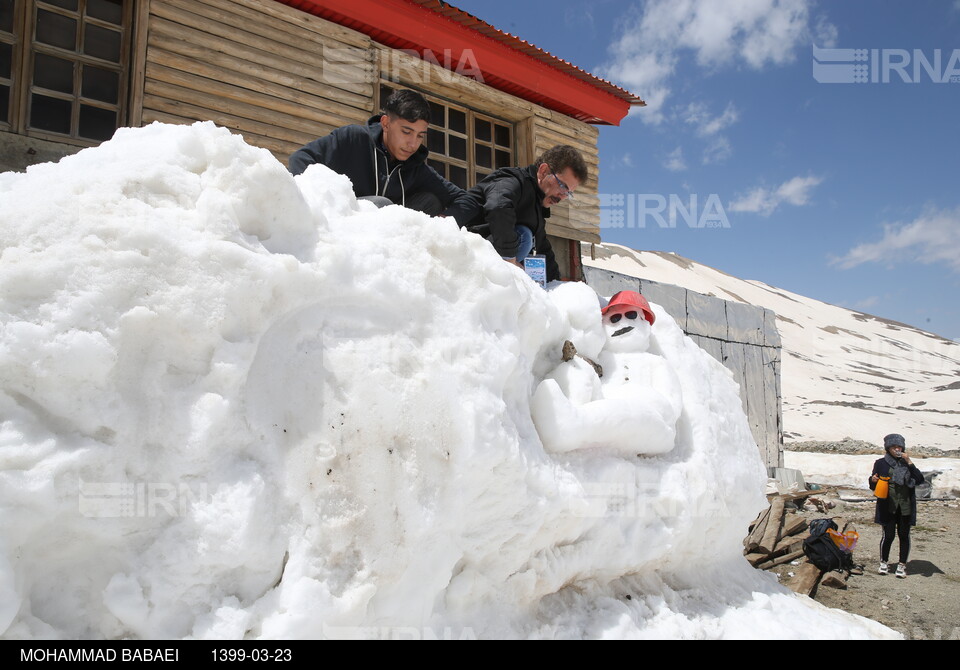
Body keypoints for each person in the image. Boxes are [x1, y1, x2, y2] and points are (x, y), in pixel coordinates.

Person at [288, 89, 473, 221]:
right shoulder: (353, 138)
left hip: (387, 237)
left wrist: (443, 222)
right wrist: (329, 203)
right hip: (344, 223)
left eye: (420, 136)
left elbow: (465, 200)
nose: (413, 143)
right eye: (406, 132)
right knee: (382, 204)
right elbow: (300, 159)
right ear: (385, 123)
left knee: (429, 202)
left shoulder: (417, 167)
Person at [445, 145, 588, 283]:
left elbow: (544, 250)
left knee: (534, 248)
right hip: (465, 251)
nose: (562, 196)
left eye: (568, 193)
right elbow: (498, 206)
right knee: (523, 235)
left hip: (489, 256)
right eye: (562, 186)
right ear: (544, 171)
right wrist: (509, 258)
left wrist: (558, 285)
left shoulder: (536, 209)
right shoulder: (513, 180)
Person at [869, 433, 924, 578]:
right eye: (894, 447)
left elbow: (919, 479)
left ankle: (901, 565)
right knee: (888, 535)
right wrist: (873, 480)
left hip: (905, 505)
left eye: (899, 446)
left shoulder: (907, 463)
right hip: (888, 505)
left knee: (904, 535)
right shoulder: (880, 463)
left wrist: (910, 462)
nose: (897, 449)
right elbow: (872, 484)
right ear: (888, 448)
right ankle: (883, 562)